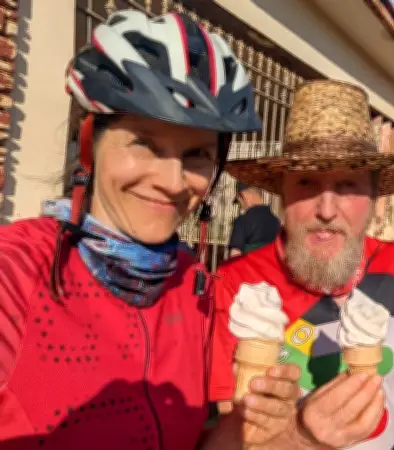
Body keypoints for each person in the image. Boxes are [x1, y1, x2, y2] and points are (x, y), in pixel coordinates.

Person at [0, 10, 300, 449]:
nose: (174, 182)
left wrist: (252, 427)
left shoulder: (194, 283)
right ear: (90, 144)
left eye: (196, 154)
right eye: (144, 143)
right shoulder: (17, 269)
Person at [209, 79, 394, 449]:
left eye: (349, 185)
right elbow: (229, 426)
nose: (327, 210)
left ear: (374, 197)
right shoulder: (237, 284)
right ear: (280, 195)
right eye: (306, 182)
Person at [229, 181, 281, 257]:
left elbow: (235, 257)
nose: (241, 207)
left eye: (239, 202)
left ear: (243, 196)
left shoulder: (242, 221)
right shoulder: (276, 222)